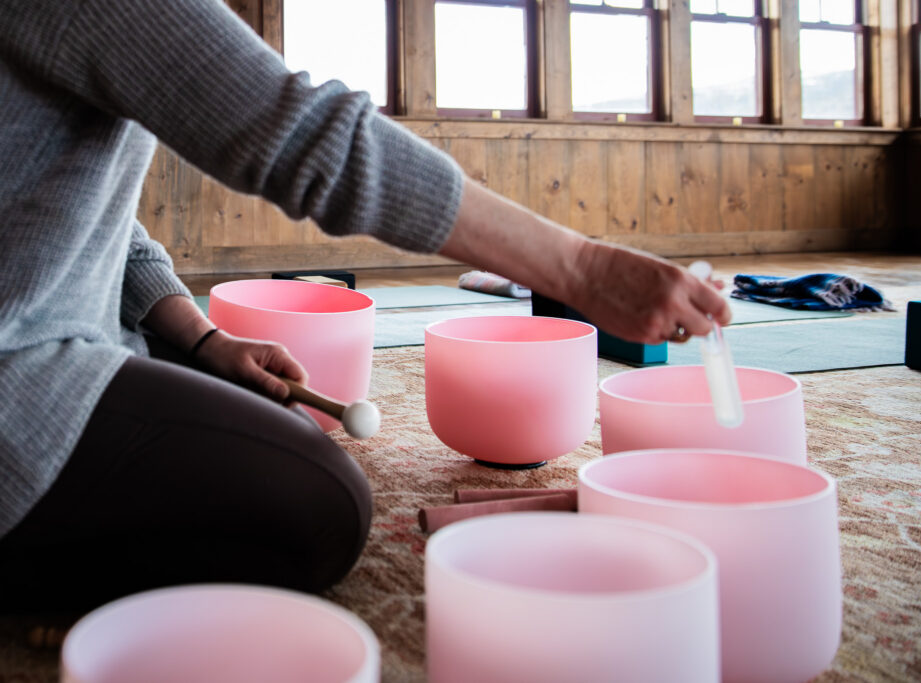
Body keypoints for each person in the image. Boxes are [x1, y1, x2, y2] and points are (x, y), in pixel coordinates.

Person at [0, 0, 730, 612]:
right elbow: (311, 141)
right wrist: (583, 267)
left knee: (264, 423)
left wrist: (201, 341)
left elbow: (80, 210)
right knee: (325, 509)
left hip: (54, 332)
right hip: (17, 368)